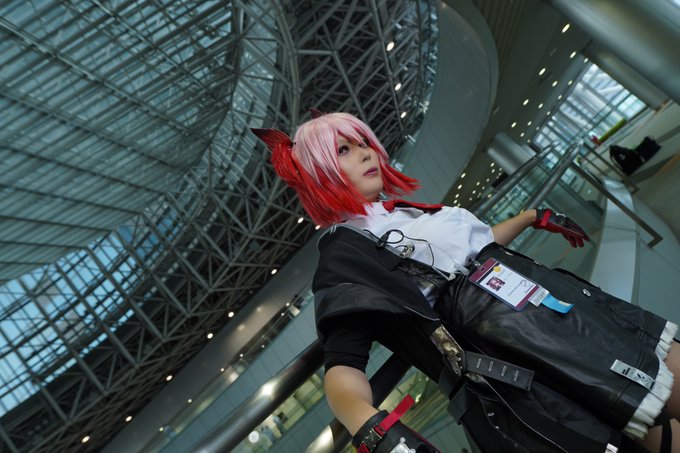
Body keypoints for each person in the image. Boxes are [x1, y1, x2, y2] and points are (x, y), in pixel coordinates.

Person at [252, 112, 680, 453]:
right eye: (344, 149)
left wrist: (532, 217)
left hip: (562, 309)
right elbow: (343, 362)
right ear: (318, 174)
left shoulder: (404, 213)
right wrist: (371, 428)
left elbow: (477, 253)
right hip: (529, 360)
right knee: (652, 429)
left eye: (363, 142)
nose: (365, 153)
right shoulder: (345, 253)